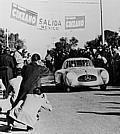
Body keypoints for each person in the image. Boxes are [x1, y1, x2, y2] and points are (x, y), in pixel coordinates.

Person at [6, 53, 52, 132]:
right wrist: (42, 65)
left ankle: (10, 124)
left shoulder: (26, 67)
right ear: (38, 60)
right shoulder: (40, 68)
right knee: (32, 108)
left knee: (17, 104)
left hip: (23, 89)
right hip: (33, 90)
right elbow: (48, 71)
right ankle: (29, 126)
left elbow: (23, 74)